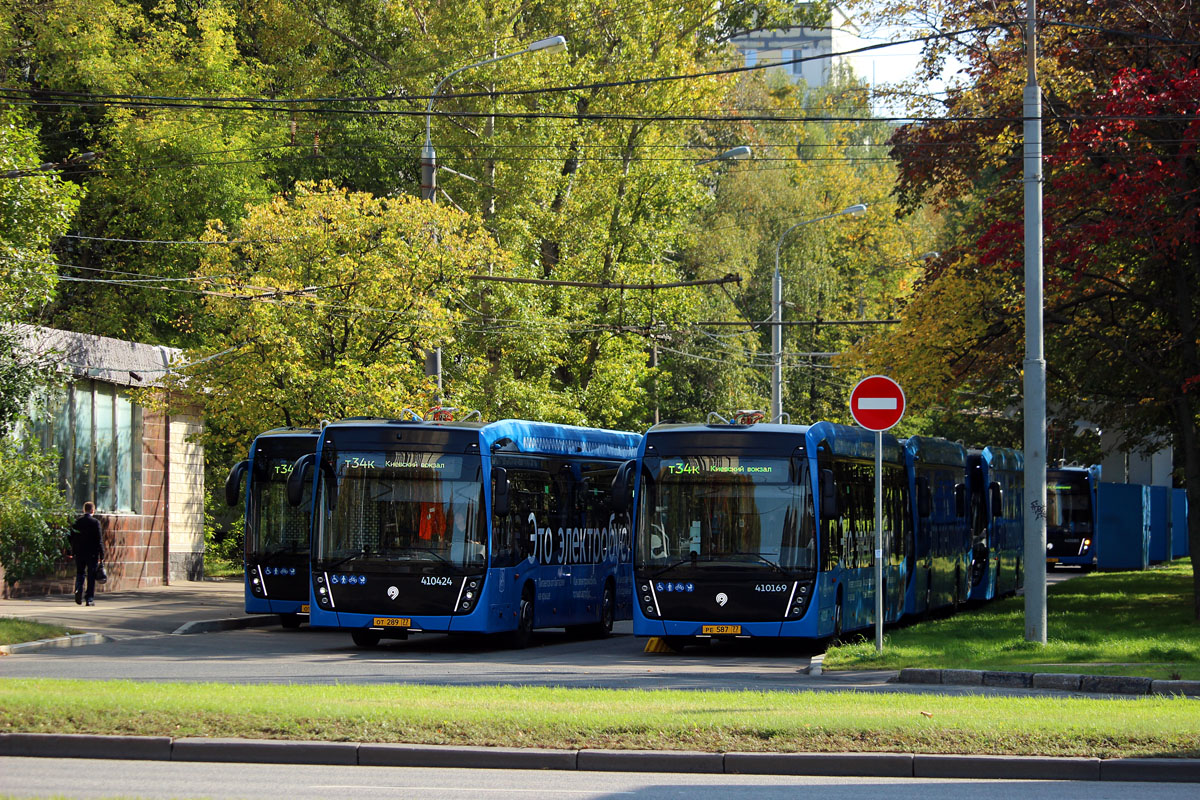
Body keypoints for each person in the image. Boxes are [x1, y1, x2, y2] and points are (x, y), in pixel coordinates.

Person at [70, 501, 105, 606]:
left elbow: (71, 537)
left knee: (80, 573)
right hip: (92, 553)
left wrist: (71, 551)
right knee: (91, 576)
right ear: (92, 510)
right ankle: (89, 599)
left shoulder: (77, 522)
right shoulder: (95, 523)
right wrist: (101, 554)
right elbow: (99, 539)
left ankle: (78, 590)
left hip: (80, 553)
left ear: (84, 510)